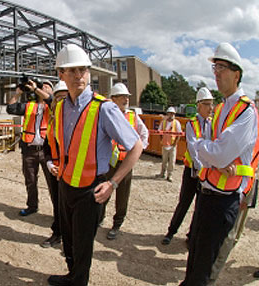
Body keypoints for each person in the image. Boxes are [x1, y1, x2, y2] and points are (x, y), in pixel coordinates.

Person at [47, 44, 143, 286]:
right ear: (61, 75)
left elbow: (136, 146)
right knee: (68, 240)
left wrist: (113, 182)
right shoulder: (60, 108)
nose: (79, 75)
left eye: (83, 70)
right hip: (65, 184)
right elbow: (58, 144)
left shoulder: (105, 108)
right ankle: (72, 276)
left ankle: (78, 281)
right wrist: (53, 164)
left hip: (90, 190)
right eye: (72, 71)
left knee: (82, 244)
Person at [181, 42, 259, 286]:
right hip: (207, 192)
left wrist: (204, 150)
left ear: (236, 74)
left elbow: (219, 154)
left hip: (224, 199)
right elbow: (210, 151)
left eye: (222, 68)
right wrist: (210, 153)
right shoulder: (223, 108)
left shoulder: (245, 111)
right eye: (215, 67)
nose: (216, 73)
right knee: (194, 256)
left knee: (204, 268)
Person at [162, 88, 214, 245]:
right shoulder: (192, 124)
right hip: (193, 170)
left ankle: (191, 236)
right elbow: (192, 146)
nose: (210, 108)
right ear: (198, 106)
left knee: (200, 206)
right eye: (207, 104)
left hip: (206, 172)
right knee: (184, 202)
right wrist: (199, 167)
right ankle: (171, 232)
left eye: (212, 104)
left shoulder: (212, 124)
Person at [102, 83, 149, 240]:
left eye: (127, 97)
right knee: (102, 192)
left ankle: (117, 224)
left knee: (122, 196)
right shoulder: (106, 115)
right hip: (108, 161)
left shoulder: (133, 116)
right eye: (123, 96)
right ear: (113, 99)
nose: (126, 99)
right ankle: (99, 218)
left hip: (124, 163)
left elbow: (144, 134)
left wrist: (137, 153)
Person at [6, 79, 56, 217]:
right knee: (30, 181)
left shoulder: (54, 105)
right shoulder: (29, 106)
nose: (44, 88)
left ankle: (58, 210)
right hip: (29, 150)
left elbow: (51, 100)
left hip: (47, 152)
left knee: (53, 183)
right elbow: (10, 108)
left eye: (48, 87)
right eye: (42, 86)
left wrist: (35, 89)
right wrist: (18, 93)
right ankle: (32, 206)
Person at [41, 81, 69, 248]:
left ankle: (71, 241)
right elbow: (47, 147)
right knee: (58, 204)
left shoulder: (77, 122)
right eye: (57, 98)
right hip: (55, 172)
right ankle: (57, 233)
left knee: (71, 208)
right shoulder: (52, 122)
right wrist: (50, 164)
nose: (60, 101)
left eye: (64, 98)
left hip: (73, 172)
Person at [156, 106, 182, 182]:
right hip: (165, 144)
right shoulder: (163, 122)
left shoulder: (176, 123)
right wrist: (161, 141)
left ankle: (169, 175)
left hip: (172, 145)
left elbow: (179, 134)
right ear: (167, 114)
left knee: (172, 161)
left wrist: (175, 144)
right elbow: (160, 132)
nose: (171, 115)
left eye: (172, 114)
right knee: (164, 160)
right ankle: (162, 173)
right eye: (170, 113)